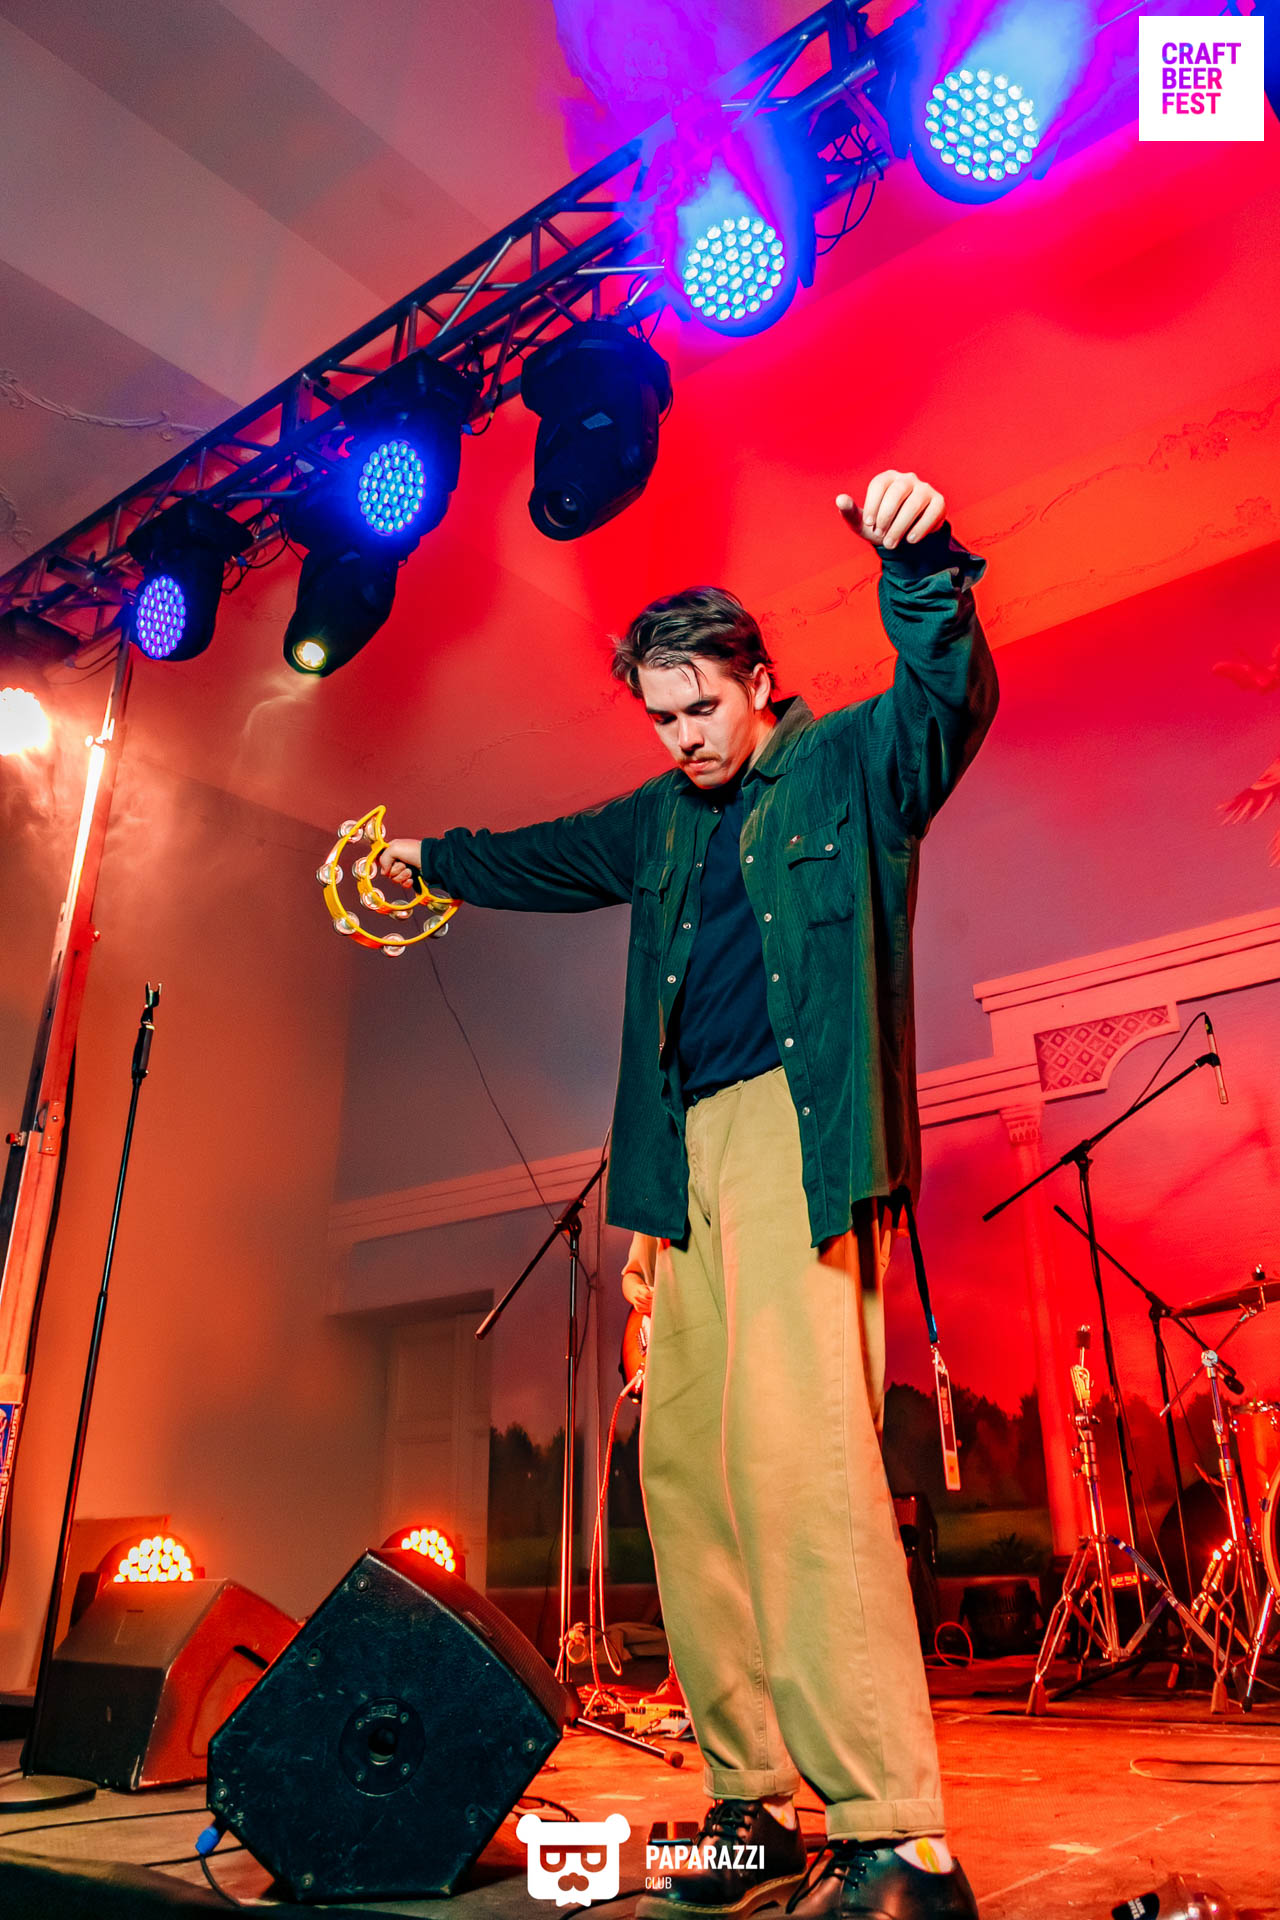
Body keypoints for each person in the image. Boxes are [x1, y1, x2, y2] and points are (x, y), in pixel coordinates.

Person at [379, 471, 998, 1919]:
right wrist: (428, 860)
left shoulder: (849, 767)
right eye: (662, 719)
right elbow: (541, 855)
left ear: (758, 682)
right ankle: (752, 1803)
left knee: (801, 1463)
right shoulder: (661, 820)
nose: (685, 739)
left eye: (703, 710)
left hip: (798, 1141)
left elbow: (949, 703)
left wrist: (921, 572)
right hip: (680, 1163)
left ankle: (898, 1838)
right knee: (689, 1477)